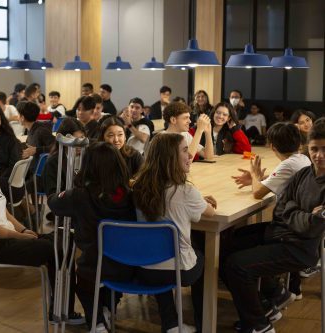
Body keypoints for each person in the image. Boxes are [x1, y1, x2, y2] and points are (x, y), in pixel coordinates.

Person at [0, 131, 84, 325]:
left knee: (66, 239)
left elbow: (5, 214)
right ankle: (60, 311)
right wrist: (19, 236)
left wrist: (23, 230)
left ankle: (63, 308)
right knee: (53, 248)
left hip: (9, 237)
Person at [222, 118, 325, 333]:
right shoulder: (303, 174)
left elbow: (311, 227)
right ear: (306, 148)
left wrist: (296, 213)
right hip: (279, 232)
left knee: (236, 265)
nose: (319, 155)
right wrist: (301, 214)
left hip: (298, 248)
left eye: (324, 149)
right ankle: (269, 302)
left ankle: (259, 325)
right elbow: (282, 209)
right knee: (226, 244)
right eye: (314, 149)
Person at [48, 142, 137, 332]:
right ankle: (107, 308)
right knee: (112, 279)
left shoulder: (79, 196)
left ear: (87, 166)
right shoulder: (130, 195)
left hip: (93, 264)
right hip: (128, 264)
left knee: (85, 285)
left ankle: (96, 323)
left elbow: (54, 204)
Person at [133, 133, 217, 332]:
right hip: (180, 272)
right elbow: (211, 213)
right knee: (203, 258)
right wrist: (201, 201)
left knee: (160, 252)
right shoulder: (186, 191)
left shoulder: (138, 188)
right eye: (185, 150)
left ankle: (171, 323)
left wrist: (197, 199)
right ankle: (203, 322)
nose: (190, 156)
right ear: (170, 157)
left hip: (144, 269)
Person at [42, 118, 86, 197]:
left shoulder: (86, 157)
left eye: (82, 137)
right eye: (75, 139)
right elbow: (51, 195)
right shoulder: (53, 162)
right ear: (64, 141)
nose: (80, 143)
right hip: (64, 204)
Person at [18, 101, 55, 172]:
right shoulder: (31, 128)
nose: (17, 117)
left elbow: (57, 146)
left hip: (41, 172)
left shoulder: (41, 131)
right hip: (33, 168)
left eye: (18, 114)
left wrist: (37, 150)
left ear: (22, 117)